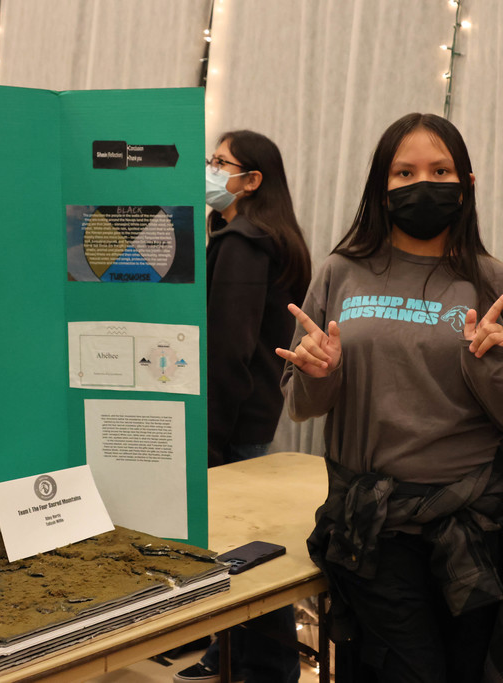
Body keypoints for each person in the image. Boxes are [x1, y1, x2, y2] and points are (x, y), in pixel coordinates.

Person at [277, 113, 503, 682]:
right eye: (404, 172)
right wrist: (321, 373)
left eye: (440, 171)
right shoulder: (341, 271)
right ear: (381, 187)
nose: (423, 183)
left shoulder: (490, 280)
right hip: (373, 528)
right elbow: (301, 403)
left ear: (466, 185)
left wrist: (488, 367)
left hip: (472, 527)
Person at [174, 130, 310, 682]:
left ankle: (269, 666)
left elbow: (229, 348)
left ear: (252, 180)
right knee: (239, 545)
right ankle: (228, 652)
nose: (210, 169)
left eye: (220, 162)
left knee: (246, 551)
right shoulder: (255, 237)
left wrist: (210, 435)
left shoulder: (244, 244)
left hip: (231, 419)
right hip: (249, 413)